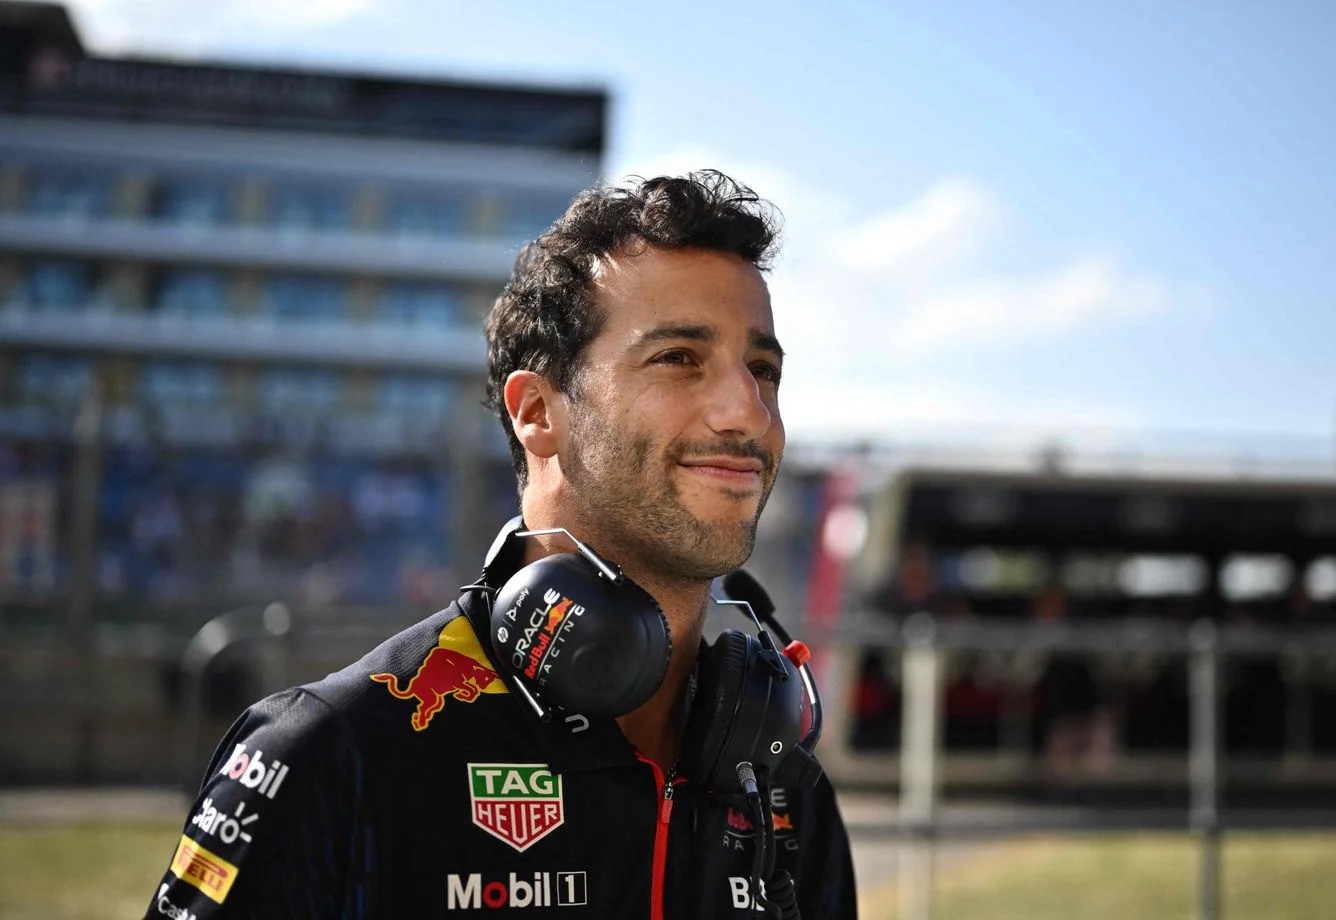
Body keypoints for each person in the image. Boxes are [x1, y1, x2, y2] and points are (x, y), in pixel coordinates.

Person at [144, 171, 858, 919]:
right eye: (679, 357)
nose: (747, 410)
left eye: (763, 370)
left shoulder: (778, 788)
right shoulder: (329, 753)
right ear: (538, 412)